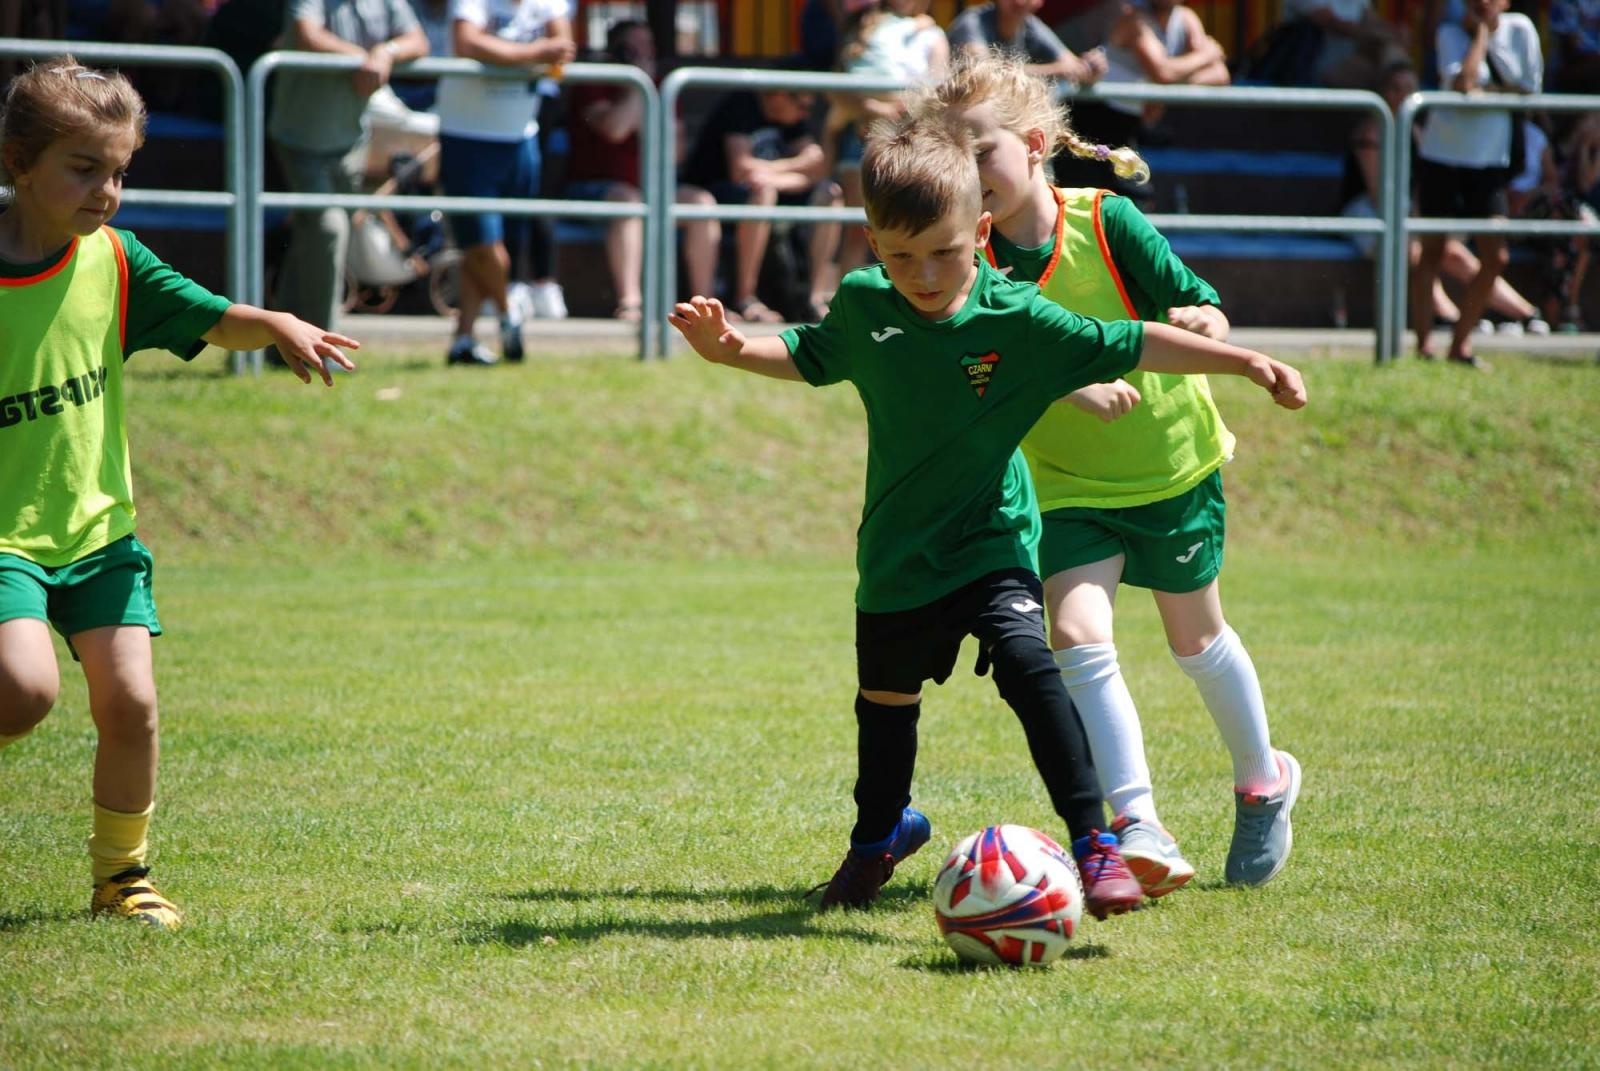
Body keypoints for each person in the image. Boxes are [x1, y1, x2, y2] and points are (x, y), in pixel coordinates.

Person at [667, 116, 1306, 917]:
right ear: (870, 242)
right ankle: (878, 839)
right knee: (885, 710)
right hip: (901, 555)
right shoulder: (868, 305)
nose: (923, 273)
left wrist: (1247, 360)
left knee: (1034, 667)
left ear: (977, 230)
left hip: (996, 538)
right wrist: (731, 349)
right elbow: (808, 352)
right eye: (899, 255)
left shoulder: (1015, 314)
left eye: (942, 250)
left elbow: (1135, 339)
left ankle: (1096, 842)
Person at [910, 52, 1300, 895]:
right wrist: (1067, 387)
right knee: (1079, 637)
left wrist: (1206, 317)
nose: (971, 175)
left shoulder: (1110, 222)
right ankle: (1137, 824)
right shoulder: (968, 260)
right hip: (1066, 487)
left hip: (1169, 467)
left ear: (1036, 144)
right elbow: (983, 363)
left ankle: (1264, 779)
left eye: (983, 153)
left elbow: (1199, 303)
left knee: (1196, 641)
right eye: (957, 159)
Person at [0, 57, 358, 929]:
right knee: (23, 690)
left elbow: (207, 315)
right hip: (5, 536)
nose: (106, 191)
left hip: (97, 530)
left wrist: (273, 323)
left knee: (134, 704)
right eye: (84, 168)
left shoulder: (115, 260)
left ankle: (122, 878)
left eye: (119, 171)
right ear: (18, 162)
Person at [268, 0, 428, 360]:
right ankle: (323, 348)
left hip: (351, 143)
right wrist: (361, 57)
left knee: (314, 236)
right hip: (300, 139)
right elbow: (307, 34)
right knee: (328, 229)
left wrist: (385, 52)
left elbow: (418, 40)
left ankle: (278, 343)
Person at [1342, 59, 1544, 334]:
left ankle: (1525, 314)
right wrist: (1412, 222)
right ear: (1382, 92)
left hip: (1405, 210)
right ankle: (1452, 316)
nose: (1401, 96)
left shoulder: (1418, 130)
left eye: (1409, 89)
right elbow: (1379, 194)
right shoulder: (1371, 131)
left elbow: (1419, 187)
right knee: (1416, 250)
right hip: (1368, 211)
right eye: (1395, 88)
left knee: (1451, 250)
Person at [433, 0, 575, 366]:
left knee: (480, 249)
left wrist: (519, 55)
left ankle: (463, 339)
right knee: (484, 246)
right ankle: (509, 312)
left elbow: (563, 49)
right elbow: (467, 42)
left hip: (521, 137)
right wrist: (535, 53)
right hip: (467, 135)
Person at [1411, 0, 1543, 369]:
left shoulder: (1522, 30)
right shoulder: (1450, 33)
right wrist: (1482, 33)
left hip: (1489, 162)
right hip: (1443, 156)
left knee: (1495, 255)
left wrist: (1489, 93)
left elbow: (1529, 90)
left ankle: (1460, 344)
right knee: (1432, 252)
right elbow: (1465, 83)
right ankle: (1423, 347)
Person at [564, 19, 720, 320]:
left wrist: (649, 88)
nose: (641, 53)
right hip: (595, 189)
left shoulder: (665, 87)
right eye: (631, 47)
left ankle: (706, 306)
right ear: (614, 50)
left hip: (654, 189)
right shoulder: (595, 81)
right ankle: (631, 303)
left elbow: (675, 154)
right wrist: (639, 86)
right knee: (629, 202)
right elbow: (616, 129)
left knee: (702, 203)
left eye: (646, 46)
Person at [681, 85, 843, 324]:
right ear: (779, 95)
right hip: (722, 191)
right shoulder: (742, 106)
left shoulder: (793, 118)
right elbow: (741, 170)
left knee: (830, 193)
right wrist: (795, 166)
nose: (806, 113)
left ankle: (814, 299)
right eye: (802, 105)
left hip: (772, 188)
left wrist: (775, 175)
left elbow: (817, 166)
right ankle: (746, 297)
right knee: (763, 193)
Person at [1052, 0, 1230, 192]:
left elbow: (1220, 75)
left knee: (1135, 198)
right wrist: (1208, 54)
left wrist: (1162, 89)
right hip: (1091, 121)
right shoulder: (1134, 20)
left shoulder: (1186, 19)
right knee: (1086, 201)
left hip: (1128, 123)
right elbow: (1162, 72)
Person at [825, 0, 948, 274]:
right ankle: (849, 304)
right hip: (861, 137)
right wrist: (873, 108)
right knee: (859, 227)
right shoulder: (863, 25)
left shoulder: (933, 34)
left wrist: (891, 109)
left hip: (911, 142)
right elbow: (839, 87)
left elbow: (936, 94)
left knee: (907, 225)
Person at [945, 0, 1108, 85]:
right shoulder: (972, 22)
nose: (1019, 1)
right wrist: (1056, 71)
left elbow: (1072, 66)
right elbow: (984, 71)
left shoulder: (1031, 26)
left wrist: (1091, 69)